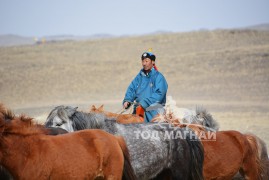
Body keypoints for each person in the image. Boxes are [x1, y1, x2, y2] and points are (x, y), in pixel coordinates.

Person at [122, 51, 168, 122]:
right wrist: (127, 100)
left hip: (154, 111)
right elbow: (132, 89)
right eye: (143, 61)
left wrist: (144, 103)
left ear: (152, 62)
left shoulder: (159, 77)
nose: (144, 64)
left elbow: (159, 94)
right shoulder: (139, 77)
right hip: (138, 110)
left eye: (146, 61)